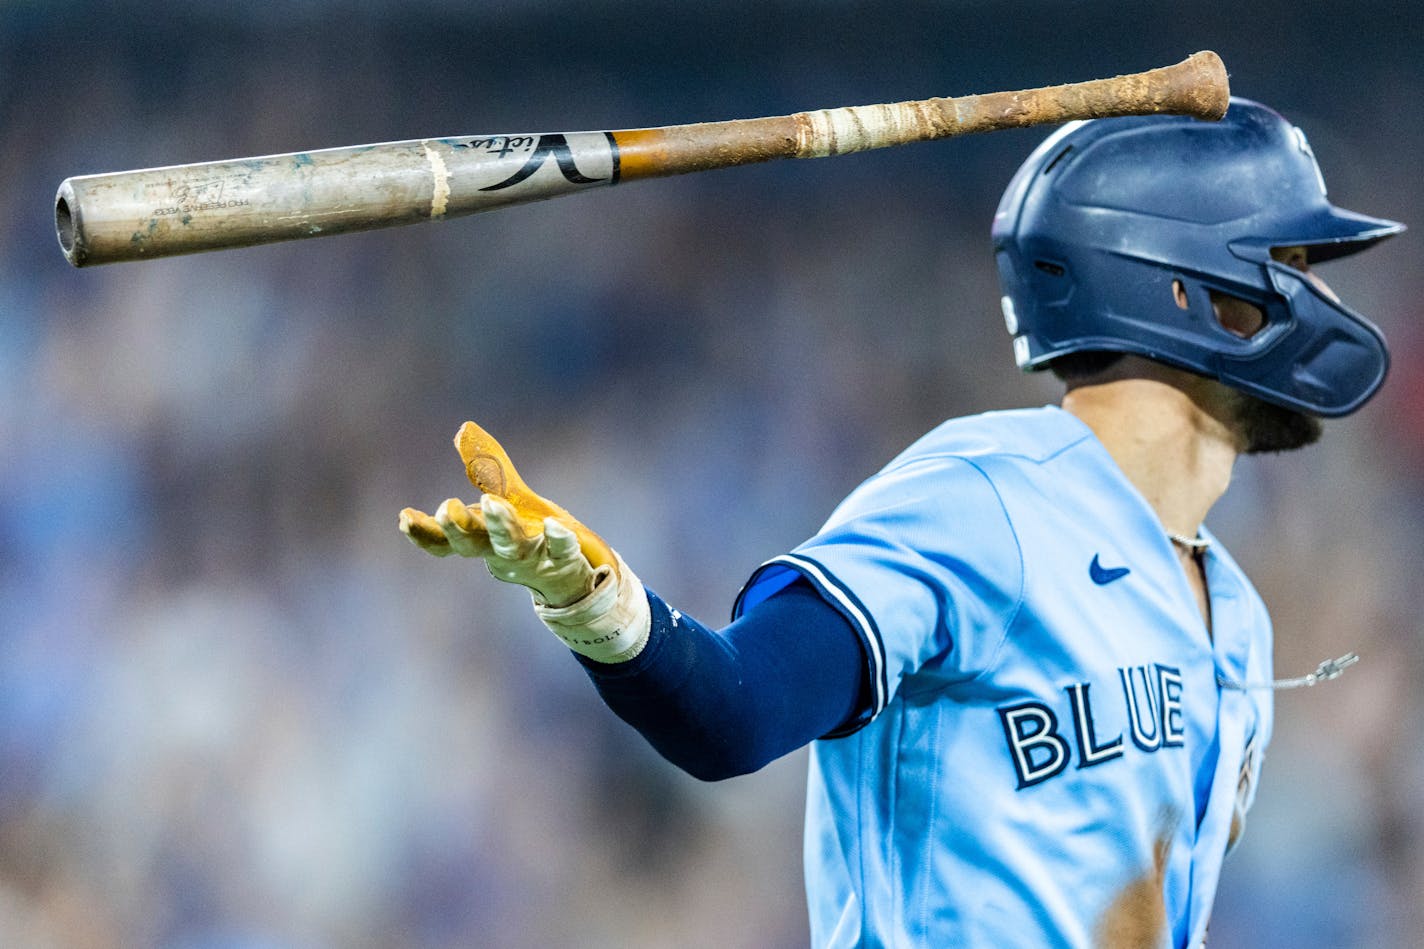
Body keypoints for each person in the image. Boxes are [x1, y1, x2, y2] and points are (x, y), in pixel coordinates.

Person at [399, 98, 1403, 948]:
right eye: (1292, 262)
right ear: (1186, 290)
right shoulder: (983, 500)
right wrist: (590, 602)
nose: (1315, 298)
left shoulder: (1236, 611)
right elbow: (734, 711)